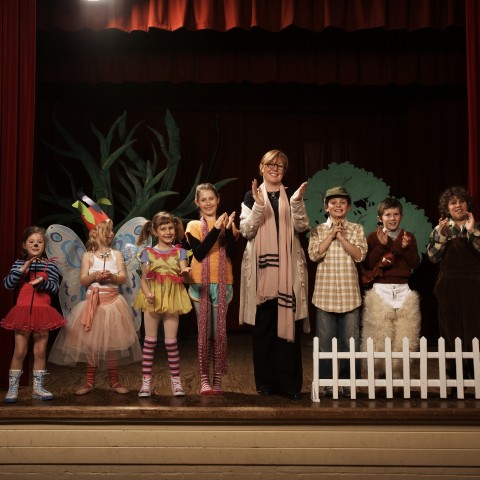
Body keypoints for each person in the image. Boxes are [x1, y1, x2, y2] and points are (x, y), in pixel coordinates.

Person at [239, 149, 310, 400]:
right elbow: (246, 230)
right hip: (262, 276)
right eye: (271, 164)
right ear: (262, 167)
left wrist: (298, 203)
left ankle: (289, 385)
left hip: (287, 274)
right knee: (264, 331)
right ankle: (266, 384)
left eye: (280, 165)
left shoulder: (292, 195)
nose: (275, 168)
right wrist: (259, 206)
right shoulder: (251, 196)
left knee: (288, 332)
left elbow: (302, 226)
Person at [49, 219, 142, 395]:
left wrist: (112, 278)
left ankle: (115, 381)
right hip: (93, 304)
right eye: (108, 230)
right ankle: (89, 382)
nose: (112, 234)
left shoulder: (117, 255)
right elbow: (84, 280)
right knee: (91, 345)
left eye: (112, 231)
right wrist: (95, 276)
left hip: (113, 305)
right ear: (96, 233)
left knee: (112, 345)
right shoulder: (88, 256)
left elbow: (122, 278)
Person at [308, 186, 367, 397]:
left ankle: (348, 383)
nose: (338, 206)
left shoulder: (357, 229)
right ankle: (326, 382)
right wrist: (332, 233)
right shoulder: (317, 230)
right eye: (333, 202)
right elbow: (314, 255)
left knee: (350, 343)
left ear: (348, 207)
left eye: (342, 202)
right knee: (325, 343)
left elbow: (360, 256)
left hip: (349, 294)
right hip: (324, 295)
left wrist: (342, 238)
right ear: (326, 207)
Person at [2, 226, 67, 403]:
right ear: (24, 245)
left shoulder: (50, 265)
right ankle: (12, 389)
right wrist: (21, 270)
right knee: (20, 351)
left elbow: (55, 288)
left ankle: (38, 388)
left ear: (44, 245)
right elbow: (7, 285)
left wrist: (43, 282)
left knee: (39, 351)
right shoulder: (18, 264)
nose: (36, 244)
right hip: (22, 313)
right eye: (31, 242)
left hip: (43, 313)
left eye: (39, 242)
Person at [186, 184, 238, 395]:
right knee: (205, 333)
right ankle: (204, 379)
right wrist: (216, 228)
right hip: (201, 283)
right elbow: (199, 253)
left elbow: (232, 253)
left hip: (223, 283)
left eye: (211, 199)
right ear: (197, 203)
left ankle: (217, 379)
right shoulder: (193, 226)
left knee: (218, 333)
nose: (208, 203)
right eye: (203, 200)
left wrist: (227, 230)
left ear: (218, 199)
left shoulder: (228, 225)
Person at [360, 197, 421, 379]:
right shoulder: (373, 237)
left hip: (403, 289)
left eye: (395, 214)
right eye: (388, 215)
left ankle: (398, 375)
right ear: (381, 218)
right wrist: (382, 245)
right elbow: (369, 263)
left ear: (401, 216)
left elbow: (415, 263)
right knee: (379, 334)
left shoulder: (408, 237)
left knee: (404, 335)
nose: (392, 218)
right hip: (381, 289)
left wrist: (406, 249)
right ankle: (377, 375)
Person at [133, 212, 192, 397]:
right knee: (149, 342)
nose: (168, 232)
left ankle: (176, 383)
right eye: (163, 229)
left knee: (171, 342)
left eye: (170, 228)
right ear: (155, 231)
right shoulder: (147, 254)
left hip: (172, 298)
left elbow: (184, 273)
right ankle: (145, 383)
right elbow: (143, 279)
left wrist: (187, 273)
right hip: (153, 299)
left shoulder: (180, 252)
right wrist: (148, 293)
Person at [427, 186, 480, 381]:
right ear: (446, 207)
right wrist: (441, 237)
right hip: (448, 286)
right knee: (451, 332)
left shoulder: (477, 227)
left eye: (461, 202)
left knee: (475, 331)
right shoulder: (440, 229)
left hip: (474, 286)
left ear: (467, 205)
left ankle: (476, 377)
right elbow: (433, 258)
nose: (457, 205)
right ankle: (454, 379)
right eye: (452, 203)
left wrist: (472, 231)